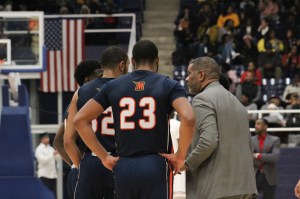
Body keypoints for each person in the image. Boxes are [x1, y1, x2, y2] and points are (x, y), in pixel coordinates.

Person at [73, 40, 195, 199]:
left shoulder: (114, 86)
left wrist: (103, 156)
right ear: (157, 60)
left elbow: (79, 120)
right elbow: (189, 117)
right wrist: (180, 155)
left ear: (133, 62)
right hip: (155, 164)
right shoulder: (168, 84)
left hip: (124, 166)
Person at [181, 57, 258, 199]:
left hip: (218, 188)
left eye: (189, 73)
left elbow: (208, 141)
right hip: (245, 187)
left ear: (201, 75)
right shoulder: (237, 102)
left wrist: (187, 164)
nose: (186, 79)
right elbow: (250, 145)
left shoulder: (202, 99)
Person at [64, 46, 129, 199]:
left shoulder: (81, 92)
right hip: (122, 162)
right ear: (122, 65)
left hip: (92, 161)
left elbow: (67, 141)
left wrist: (82, 166)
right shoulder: (130, 89)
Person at [53, 59, 102, 199]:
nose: (102, 78)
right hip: (86, 170)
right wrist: (79, 165)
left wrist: (75, 165)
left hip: (84, 169)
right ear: (87, 79)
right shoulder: (82, 102)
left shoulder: (75, 102)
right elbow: (61, 141)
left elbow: (57, 140)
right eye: (98, 75)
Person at [252, 118, 281, 199]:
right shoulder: (251, 140)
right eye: (255, 124)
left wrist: (257, 155)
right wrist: (267, 157)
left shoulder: (275, 140)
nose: (255, 126)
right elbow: (248, 157)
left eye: (258, 124)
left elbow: (275, 157)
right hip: (254, 176)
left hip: (269, 177)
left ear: (265, 126)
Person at [35, 133, 59, 198]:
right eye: (45, 138)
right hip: (44, 175)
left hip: (53, 175)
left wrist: (58, 153)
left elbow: (57, 158)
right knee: (45, 194)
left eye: (48, 137)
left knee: (54, 195)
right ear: (41, 139)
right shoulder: (39, 149)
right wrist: (52, 154)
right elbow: (43, 160)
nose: (47, 139)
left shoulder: (51, 148)